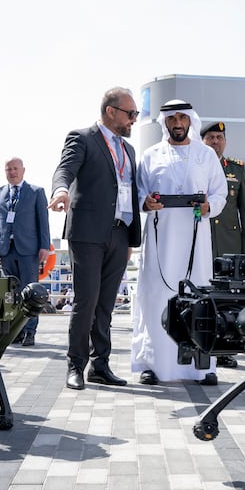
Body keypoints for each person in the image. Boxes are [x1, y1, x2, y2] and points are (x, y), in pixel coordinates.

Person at [49, 87, 142, 390]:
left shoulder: (128, 150)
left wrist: (129, 236)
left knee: (106, 304)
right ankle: (76, 365)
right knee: (86, 301)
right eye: (131, 114)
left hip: (119, 232)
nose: (134, 120)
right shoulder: (83, 138)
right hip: (88, 232)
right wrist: (60, 190)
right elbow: (65, 169)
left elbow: (126, 189)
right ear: (111, 112)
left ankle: (100, 365)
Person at [132, 99, 227, 385]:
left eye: (181, 119)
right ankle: (153, 365)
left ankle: (201, 366)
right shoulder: (151, 155)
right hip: (161, 241)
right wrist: (146, 203)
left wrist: (211, 207)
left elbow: (220, 193)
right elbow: (138, 193)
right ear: (165, 123)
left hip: (196, 243)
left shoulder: (206, 155)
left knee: (198, 297)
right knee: (157, 297)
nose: (177, 123)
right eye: (171, 119)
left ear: (189, 121)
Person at [201, 120, 245, 369]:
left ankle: (224, 350)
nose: (215, 142)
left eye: (219, 137)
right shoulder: (197, 165)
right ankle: (202, 346)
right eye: (210, 137)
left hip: (230, 244)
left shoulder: (236, 168)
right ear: (203, 141)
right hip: (201, 242)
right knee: (202, 295)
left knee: (226, 299)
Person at [0, 157, 51, 346]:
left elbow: (43, 221)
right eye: (8, 169)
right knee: (10, 294)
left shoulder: (36, 192)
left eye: (15, 168)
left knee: (30, 292)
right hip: (6, 250)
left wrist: (44, 246)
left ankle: (30, 331)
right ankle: (16, 331)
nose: (12, 172)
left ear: (23, 170)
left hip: (29, 250)